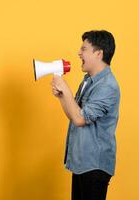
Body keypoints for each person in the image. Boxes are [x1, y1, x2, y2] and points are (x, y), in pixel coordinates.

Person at [51, 30, 120, 200]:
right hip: (82, 163)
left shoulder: (107, 86)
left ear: (98, 53)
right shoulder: (88, 80)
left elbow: (80, 119)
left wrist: (66, 90)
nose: (78, 53)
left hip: (94, 165)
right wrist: (62, 97)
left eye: (84, 49)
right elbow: (74, 115)